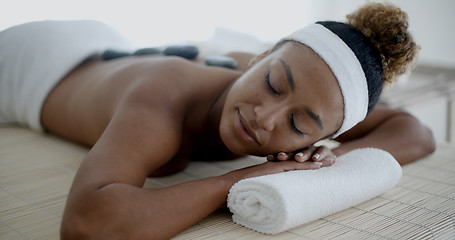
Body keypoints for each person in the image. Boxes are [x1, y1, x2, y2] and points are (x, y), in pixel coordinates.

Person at [0, 2, 435, 239]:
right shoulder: (160, 101)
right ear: (260, 57)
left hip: (108, 49)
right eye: (271, 82)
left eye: (300, 126)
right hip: (29, 63)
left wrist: (317, 165)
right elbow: (88, 224)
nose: (266, 117)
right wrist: (251, 177)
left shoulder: (316, 95)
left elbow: (415, 131)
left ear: (323, 135)